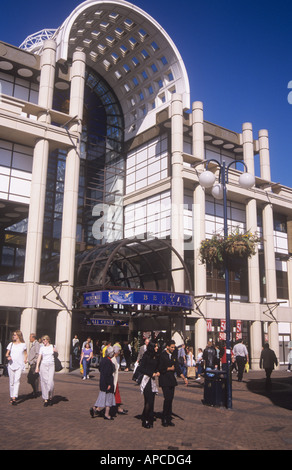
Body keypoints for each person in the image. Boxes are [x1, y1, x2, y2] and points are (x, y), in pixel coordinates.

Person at [158, 339, 188, 427]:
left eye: (174, 347)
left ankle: (168, 418)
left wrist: (184, 378)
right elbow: (160, 367)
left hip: (171, 380)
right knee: (167, 399)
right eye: (171, 347)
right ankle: (164, 418)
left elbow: (177, 367)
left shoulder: (174, 355)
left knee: (170, 399)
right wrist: (168, 369)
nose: (173, 348)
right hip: (164, 379)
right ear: (167, 347)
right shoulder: (162, 355)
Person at [90, 346, 116, 420]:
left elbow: (100, 369)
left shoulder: (103, 360)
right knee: (108, 398)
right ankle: (107, 414)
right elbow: (108, 374)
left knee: (101, 397)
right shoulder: (108, 361)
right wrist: (109, 384)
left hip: (102, 381)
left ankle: (94, 408)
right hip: (107, 382)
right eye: (113, 353)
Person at [139, 342, 160, 428]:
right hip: (146, 379)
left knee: (152, 400)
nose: (157, 348)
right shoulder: (146, 356)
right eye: (155, 346)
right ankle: (145, 419)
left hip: (152, 380)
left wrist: (158, 371)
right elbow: (141, 368)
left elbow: (157, 366)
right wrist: (151, 373)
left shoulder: (156, 356)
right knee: (148, 401)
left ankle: (149, 417)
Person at [6, 330, 28, 405]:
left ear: (18, 336)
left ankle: (14, 397)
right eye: (13, 335)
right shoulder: (11, 344)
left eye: (15, 335)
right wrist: (8, 357)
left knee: (17, 380)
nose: (13, 336)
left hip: (19, 365)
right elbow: (7, 354)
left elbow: (25, 353)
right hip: (11, 365)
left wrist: (25, 359)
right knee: (11, 381)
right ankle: (11, 395)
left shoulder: (23, 345)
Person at [36, 335, 57, 407]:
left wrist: (56, 350)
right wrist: (37, 367)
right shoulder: (41, 348)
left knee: (50, 382)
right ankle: (45, 399)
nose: (43, 341)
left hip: (51, 364)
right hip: (43, 365)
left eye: (45, 340)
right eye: (42, 340)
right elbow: (39, 357)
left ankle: (50, 397)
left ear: (48, 340)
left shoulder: (52, 346)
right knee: (44, 382)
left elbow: (57, 354)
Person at [111, 345, 128, 416]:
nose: (119, 353)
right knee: (110, 394)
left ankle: (118, 408)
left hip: (115, 379)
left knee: (116, 394)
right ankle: (97, 408)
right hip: (112, 379)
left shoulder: (114, 358)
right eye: (118, 351)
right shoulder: (112, 359)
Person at [27, 333, 40, 397]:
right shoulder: (33, 344)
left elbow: (38, 354)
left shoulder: (36, 344)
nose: (29, 338)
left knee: (32, 377)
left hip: (34, 364)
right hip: (32, 363)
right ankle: (35, 391)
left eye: (30, 337)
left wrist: (34, 361)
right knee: (33, 378)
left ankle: (36, 391)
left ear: (33, 337)